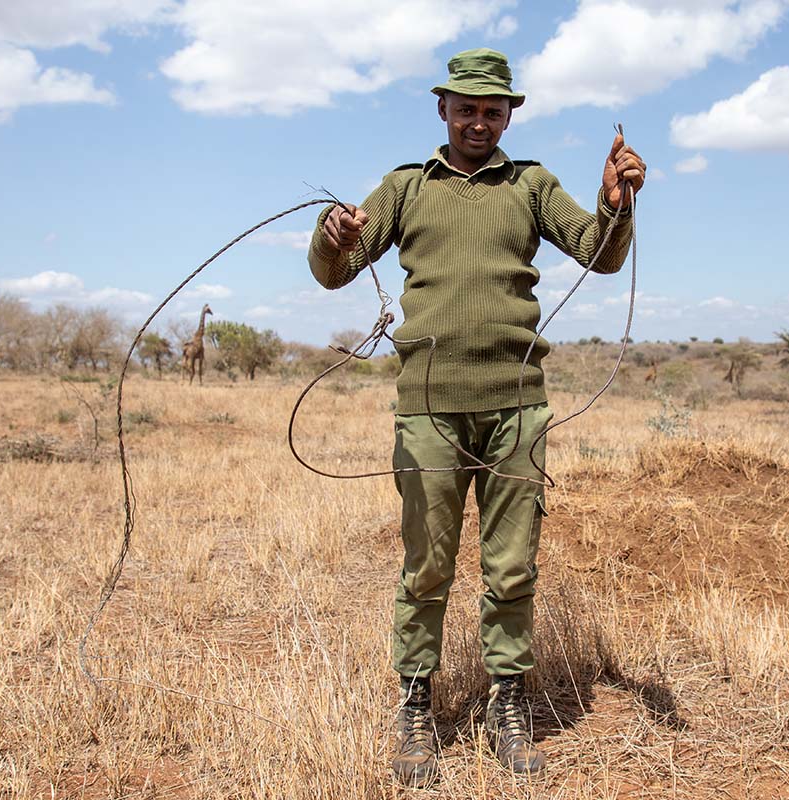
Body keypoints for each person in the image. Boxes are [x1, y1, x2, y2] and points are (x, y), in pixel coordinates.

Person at [307, 47, 645, 787]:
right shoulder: (405, 186)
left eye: (494, 110)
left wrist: (615, 204)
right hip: (427, 408)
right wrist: (331, 236)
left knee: (511, 567)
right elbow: (334, 271)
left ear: (509, 115)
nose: (480, 121)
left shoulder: (531, 186)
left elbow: (598, 253)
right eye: (467, 108)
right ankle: (415, 706)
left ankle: (506, 704)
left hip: (516, 408)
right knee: (426, 566)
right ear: (443, 111)